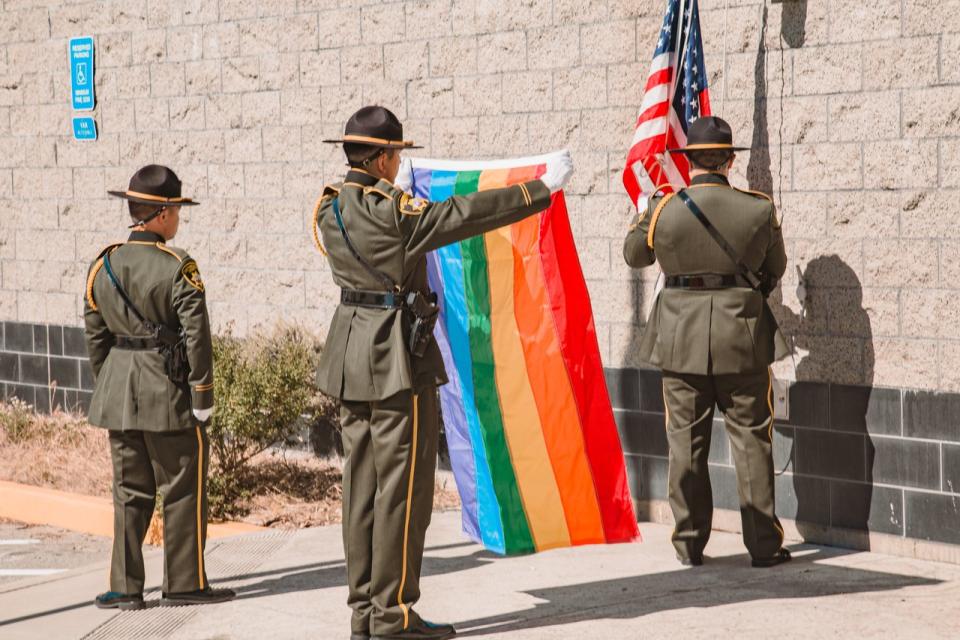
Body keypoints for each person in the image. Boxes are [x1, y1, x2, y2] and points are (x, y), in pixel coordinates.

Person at [312, 106, 573, 640]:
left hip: (347, 354)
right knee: (404, 492)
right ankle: (394, 615)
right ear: (384, 157)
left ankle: (363, 611)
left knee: (360, 488)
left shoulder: (327, 208)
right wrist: (537, 190)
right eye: (396, 155)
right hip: (394, 357)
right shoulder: (394, 211)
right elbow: (460, 214)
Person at [623, 116, 792, 568]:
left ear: (687, 160)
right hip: (742, 337)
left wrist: (648, 212)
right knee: (753, 442)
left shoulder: (665, 208)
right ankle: (763, 545)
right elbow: (774, 269)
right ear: (730, 160)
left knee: (686, 445)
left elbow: (633, 255)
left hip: (679, 340)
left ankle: (689, 544)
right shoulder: (758, 209)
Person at [84, 165, 234, 610]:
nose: (179, 220)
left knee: (129, 493)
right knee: (182, 488)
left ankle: (125, 588)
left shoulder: (103, 263)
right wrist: (202, 394)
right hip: (168, 392)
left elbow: (96, 336)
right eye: (177, 210)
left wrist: (110, 385)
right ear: (163, 213)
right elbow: (196, 336)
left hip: (119, 391)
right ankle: (184, 583)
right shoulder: (178, 265)